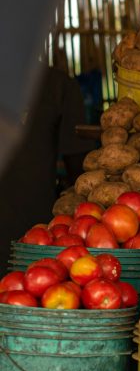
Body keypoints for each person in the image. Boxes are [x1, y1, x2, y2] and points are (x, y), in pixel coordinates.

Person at [0, 54, 95, 265]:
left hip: (30, 232)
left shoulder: (57, 85)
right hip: (33, 235)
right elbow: (79, 172)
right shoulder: (57, 84)